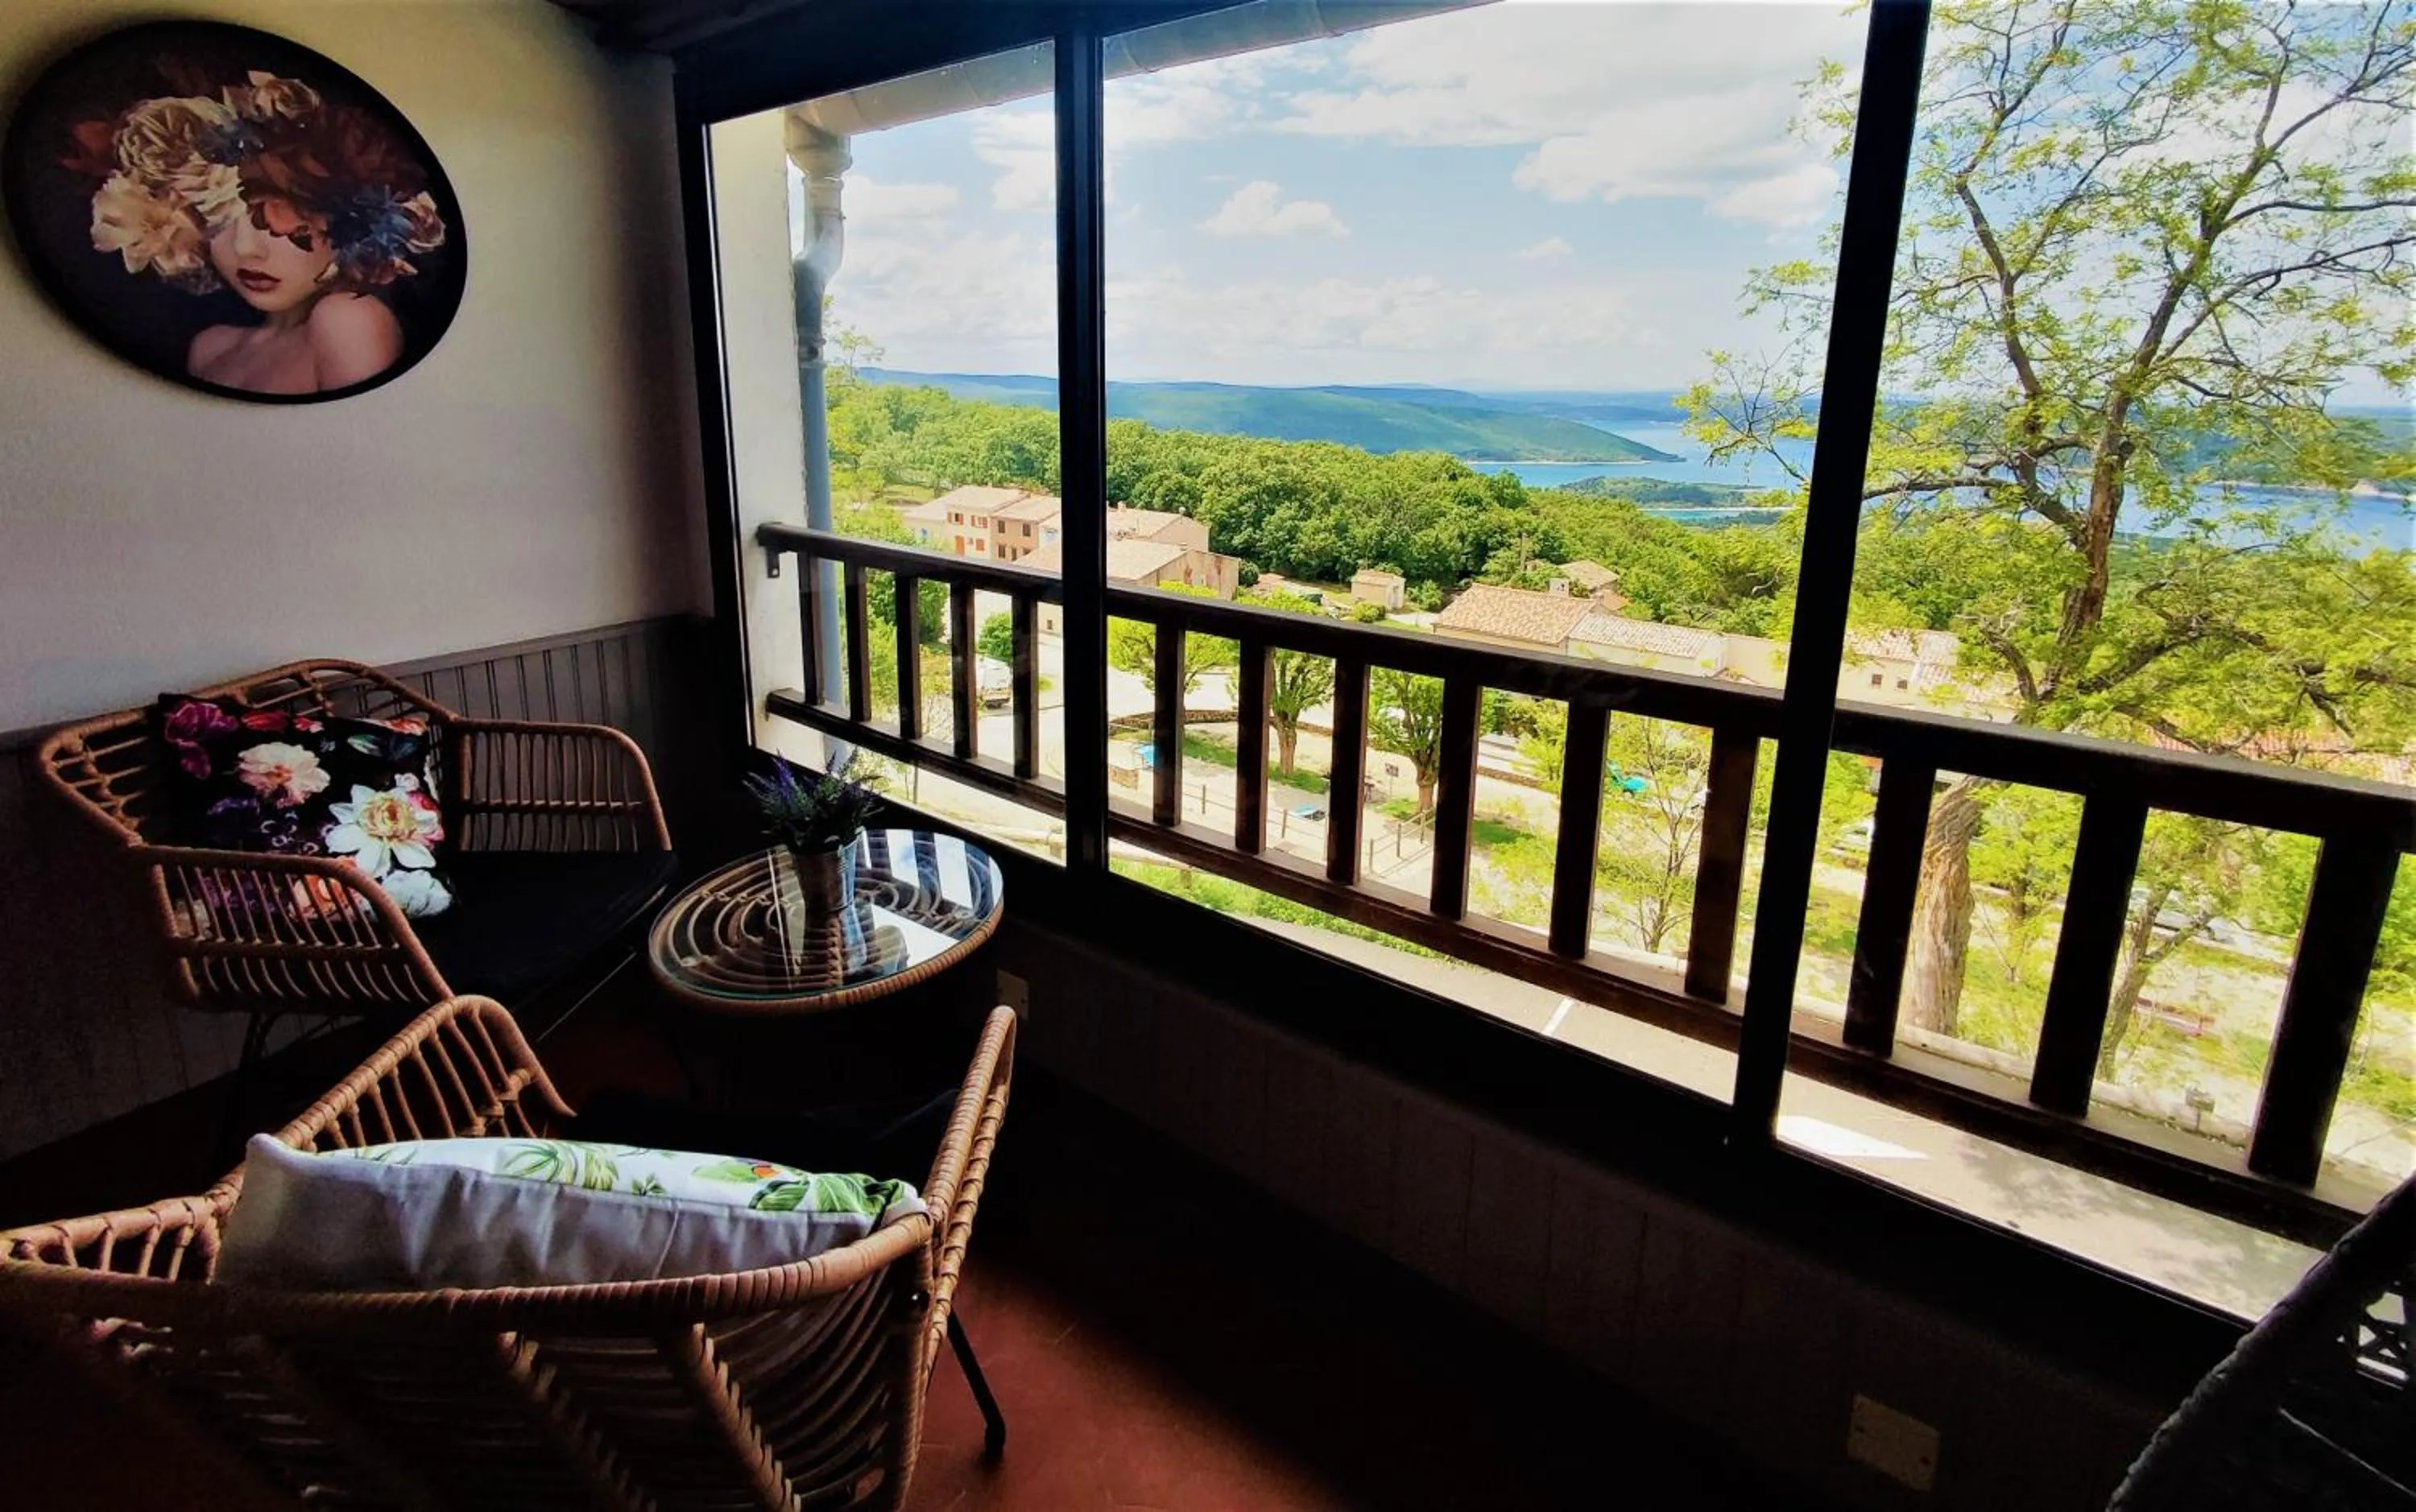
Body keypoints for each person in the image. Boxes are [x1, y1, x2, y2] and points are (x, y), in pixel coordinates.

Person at [70, 69, 445, 395]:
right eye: (216, 220)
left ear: (346, 220)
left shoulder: (346, 318)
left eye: (272, 220)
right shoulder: (211, 348)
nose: (246, 249)